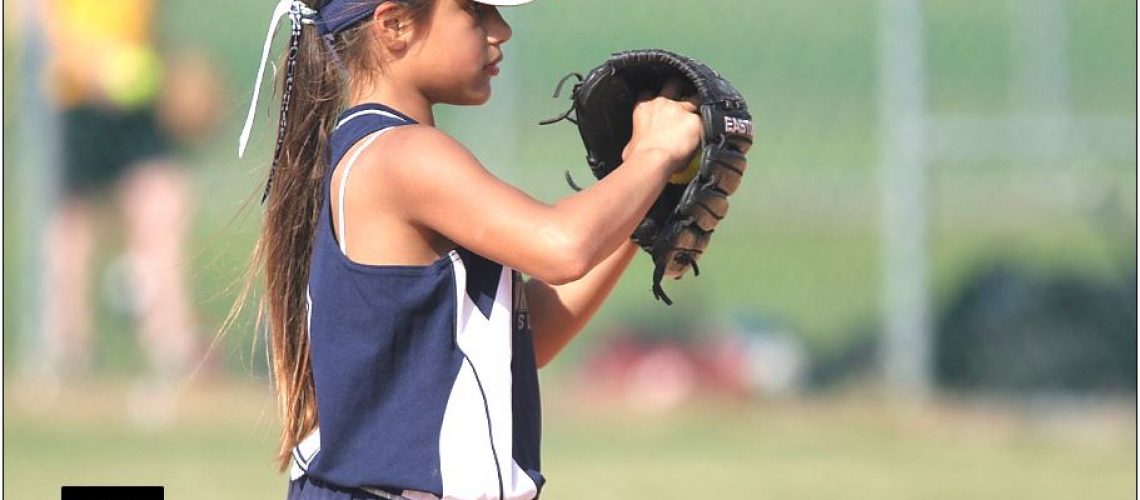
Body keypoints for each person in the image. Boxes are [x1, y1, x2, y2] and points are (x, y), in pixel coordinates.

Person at [238, 0, 701, 498]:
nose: (500, 30)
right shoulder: (404, 155)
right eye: (474, 10)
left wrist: (643, 204)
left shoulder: (377, 148)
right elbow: (562, 247)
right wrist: (653, 155)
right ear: (393, 24)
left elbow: (524, 339)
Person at [34, 0, 206, 399]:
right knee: (71, 226)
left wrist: (165, 64)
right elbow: (32, 20)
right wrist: (93, 60)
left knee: (164, 203)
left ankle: (170, 345)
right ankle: (67, 349)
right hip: (73, 96)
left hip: (135, 98)